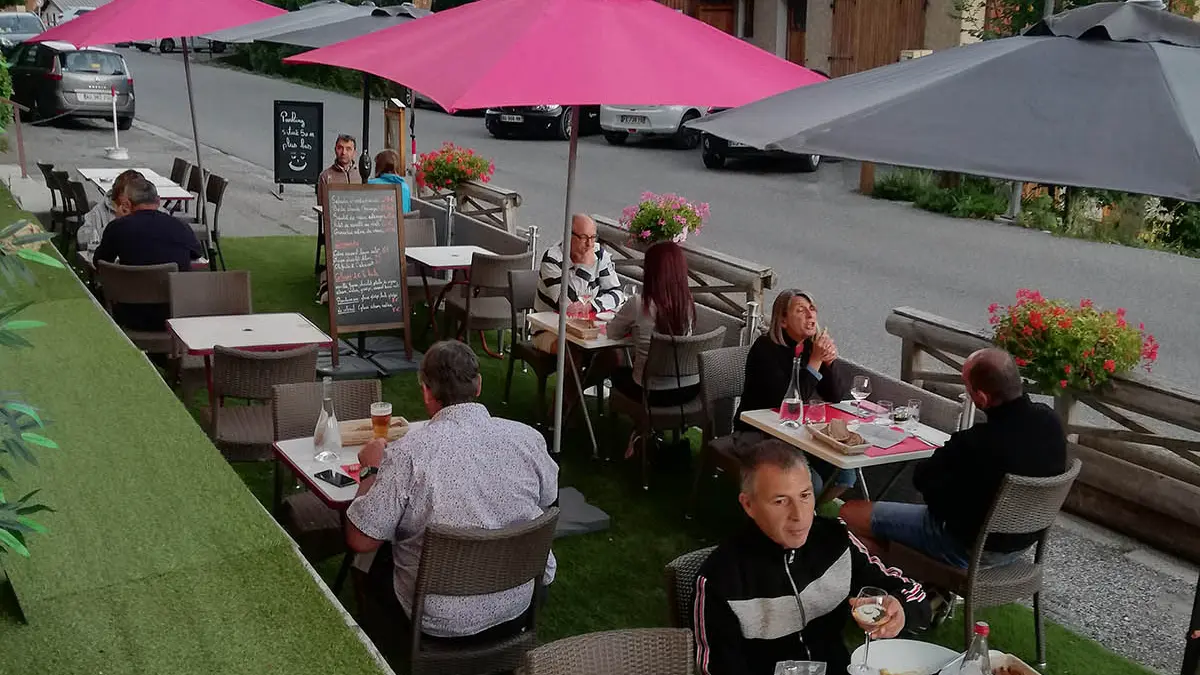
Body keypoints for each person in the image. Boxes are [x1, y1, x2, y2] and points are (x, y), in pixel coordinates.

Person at [345, 340, 559, 642]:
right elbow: (549, 499)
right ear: (479, 385)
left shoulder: (408, 454)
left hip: (439, 622)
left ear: (426, 392)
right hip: (520, 602)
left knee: (372, 560)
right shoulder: (528, 439)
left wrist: (371, 469)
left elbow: (361, 539)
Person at [694, 440, 930, 675]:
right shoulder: (720, 579)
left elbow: (913, 593)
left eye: (805, 495)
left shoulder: (835, 540)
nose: (799, 515)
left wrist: (899, 609)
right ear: (749, 505)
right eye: (780, 501)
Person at [839, 348, 1067, 569]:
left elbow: (924, 481)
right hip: (1019, 547)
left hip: (968, 548)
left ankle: (903, 580)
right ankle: (917, 582)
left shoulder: (976, 442)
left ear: (981, 397)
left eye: (967, 387)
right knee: (898, 525)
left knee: (849, 513)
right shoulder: (1050, 422)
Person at [734, 289, 857, 500]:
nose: (810, 315)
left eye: (812, 309)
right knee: (813, 483)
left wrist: (829, 363)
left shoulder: (810, 347)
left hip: (798, 434)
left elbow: (835, 396)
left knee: (845, 476)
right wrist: (816, 362)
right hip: (757, 433)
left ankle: (806, 516)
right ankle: (790, 519)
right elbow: (787, 404)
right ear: (783, 321)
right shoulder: (765, 349)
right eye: (801, 310)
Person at [94, 178, 204, 331]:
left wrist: (119, 222)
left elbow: (99, 262)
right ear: (158, 201)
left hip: (130, 312)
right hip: (176, 314)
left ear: (126, 204)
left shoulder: (118, 228)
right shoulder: (180, 227)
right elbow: (197, 253)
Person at [607, 241, 697, 406]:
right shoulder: (688, 304)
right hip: (686, 389)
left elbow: (612, 333)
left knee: (612, 366)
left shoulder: (639, 303)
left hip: (649, 392)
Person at [533, 213, 624, 352]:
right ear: (568, 235)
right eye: (584, 238)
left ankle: (589, 374)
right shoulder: (552, 259)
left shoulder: (600, 254)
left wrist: (592, 305)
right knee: (572, 349)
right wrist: (584, 267)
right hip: (549, 330)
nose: (589, 244)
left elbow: (617, 293)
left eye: (593, 237)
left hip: (588, 328)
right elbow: (569, 307)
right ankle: (575, 374)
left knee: (615, 353)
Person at [77, 169, 142, 249]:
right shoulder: (100, 210)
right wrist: (113, 227)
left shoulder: (145, 210)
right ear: (118, 194)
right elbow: (81, 239)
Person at [318, 133, 362, 206]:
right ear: (335, 150)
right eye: (340, 148)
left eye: (348, 149)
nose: (343, 152)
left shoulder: (361, 175)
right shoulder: (325, 176)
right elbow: (321, 207)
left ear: (354, 152)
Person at [367, 148, 412, 214]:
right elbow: (408, 211)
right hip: (403, 223)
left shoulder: (371, 185)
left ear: (378, 166)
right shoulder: (405, 187)